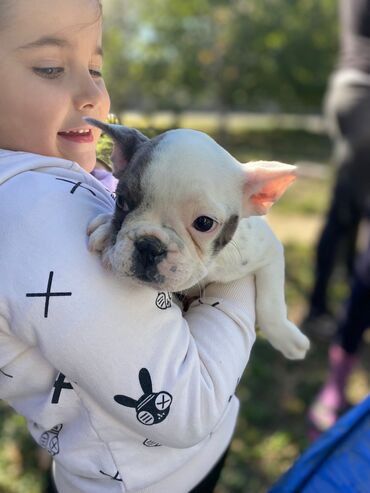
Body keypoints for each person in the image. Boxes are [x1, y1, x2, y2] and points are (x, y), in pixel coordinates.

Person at [0, 1, 257, 492]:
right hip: (160, 478)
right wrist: (240, 252)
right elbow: (189, 409)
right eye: (50, 68)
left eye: (96, 68)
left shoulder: (42, 181)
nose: (93, 92)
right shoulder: (34, 213)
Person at [307, 0, 370, 436]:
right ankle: (335, 380)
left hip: (350, 93)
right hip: (365, 93)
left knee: (344, 214)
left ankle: (321, 308)